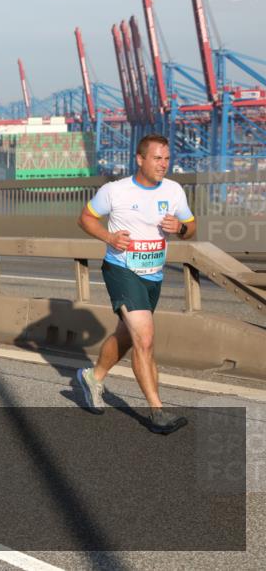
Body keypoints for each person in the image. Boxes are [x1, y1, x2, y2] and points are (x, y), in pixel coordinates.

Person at [75, 134, 196, 434]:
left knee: (127, 335)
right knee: (145, 339)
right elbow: (85, 219)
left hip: (153, 274)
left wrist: (180, 228)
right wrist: (109, 237)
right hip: (121, 269)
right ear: (140, 159)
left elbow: (191, 228)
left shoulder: (174, 190)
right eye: (157, 158)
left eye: (167, 158)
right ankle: (157, 411)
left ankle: (93, 376)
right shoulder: (115, 191)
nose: (163, 164)